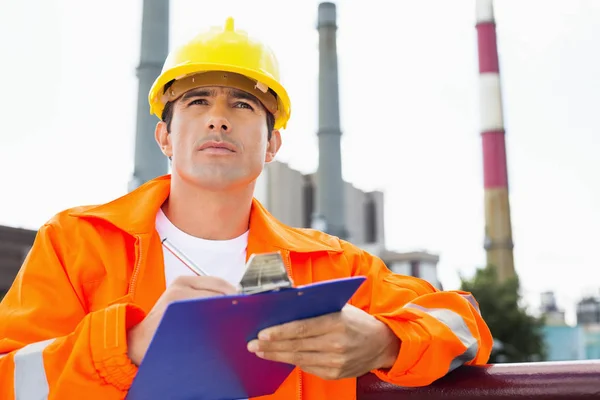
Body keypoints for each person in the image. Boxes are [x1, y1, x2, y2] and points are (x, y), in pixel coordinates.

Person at [0, 17, 493, 400]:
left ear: (272, 143)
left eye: (242, 105)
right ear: (164, 136)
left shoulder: (330, 268)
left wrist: (386, 341)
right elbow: (9, 376)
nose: (217, 119)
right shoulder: (78, 244)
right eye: (196, 102)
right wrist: (126, 346)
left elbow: (465, 324)